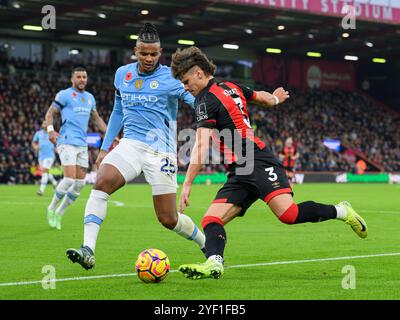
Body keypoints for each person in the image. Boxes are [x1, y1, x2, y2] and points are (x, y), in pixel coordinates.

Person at [170, 46, 368, 280]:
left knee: (289, 215)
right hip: (240, 170)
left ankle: (342, 211)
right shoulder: (232, 86)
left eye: (186, 81)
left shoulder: (205, 100)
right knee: (211, 219)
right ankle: (214, 262)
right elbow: (260, 97)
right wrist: (275, 98)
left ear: (199, 73)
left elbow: (201, 145)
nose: (185, 88)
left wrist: (187, 183)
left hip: (256, 160)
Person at [66, 23, 205, 270]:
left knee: (168, 218)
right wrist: (105, 148)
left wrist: (214, 110)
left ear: (160, 52)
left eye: (153, 54)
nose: (149, 58)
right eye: (144, 53)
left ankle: (206, 244)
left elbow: (195, 99)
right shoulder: (122, 74)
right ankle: (88, 249)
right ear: (135, 51)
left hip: (161, 151)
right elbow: (119, 111)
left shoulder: (172, 78)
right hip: (131, 144)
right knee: (102, 181)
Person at [44, 66, 108, 230]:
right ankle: (51, 208)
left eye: (84, 77)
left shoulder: (89, 98)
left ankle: (60, 212)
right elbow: (50, 113)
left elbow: (97, 119)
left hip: (81, 143)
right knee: (69, 179)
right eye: (78, 77)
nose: (82, 80)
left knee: (80, 184)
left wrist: (110, 133)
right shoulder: (64, 95)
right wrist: (51, 131)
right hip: (66, 141)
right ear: (72, 79)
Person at [32, 120, 58, 195]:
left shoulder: (52, 133)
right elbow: (34, 142)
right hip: (41, 157)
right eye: (43, 123)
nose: (44, 124)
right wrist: (35, 146)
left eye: (46, 123)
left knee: (45, 171)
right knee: (45, 172)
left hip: (50, 156)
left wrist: (57, 148)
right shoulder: (38, 133)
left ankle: (41, 190)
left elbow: (58, 142)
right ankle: (54, 182)